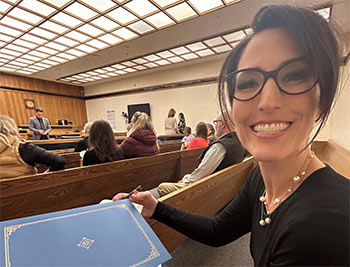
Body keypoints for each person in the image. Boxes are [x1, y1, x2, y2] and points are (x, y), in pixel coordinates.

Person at [113, 5, 349, 266]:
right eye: (247, 82)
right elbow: (218, 231)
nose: (267, 101)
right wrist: (156, 208)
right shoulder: (261, 177)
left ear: (322, 101)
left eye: (294, 76)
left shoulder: (327, 226)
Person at [157, 113, 245, 197]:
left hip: (205, 191)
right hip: (223, 188)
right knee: (186, 176)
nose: (215, 126)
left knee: (162, 187)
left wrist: (186, 180)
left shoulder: (220, 146)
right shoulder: (239, 142)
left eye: (216, 122)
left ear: (222, 124)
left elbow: (201, 174)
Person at [0, 115, 65, 179]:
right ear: (12, 128)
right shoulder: (23, 148)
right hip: (28, 187)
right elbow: (59, 161)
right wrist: (44, 177)